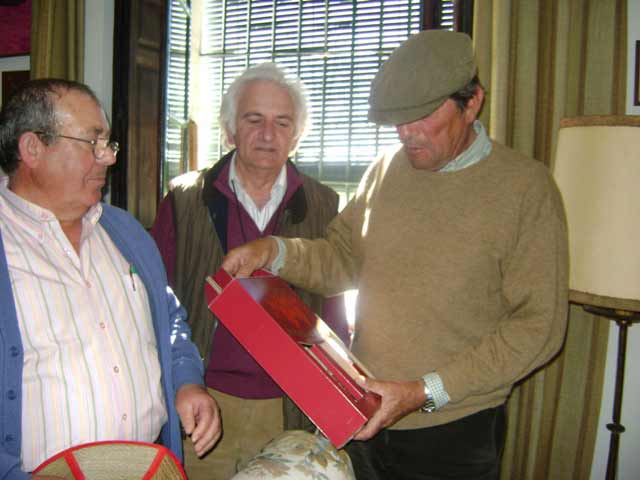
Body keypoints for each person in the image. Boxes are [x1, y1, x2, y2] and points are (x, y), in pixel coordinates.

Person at [221, 30, 569, 480]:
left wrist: (426, 391)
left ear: (473, 102)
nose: (407, 133)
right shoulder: (386, 168)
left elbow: (538, 326)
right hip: (363, 414)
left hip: (453, 432)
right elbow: (342, 259)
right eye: (398, 120)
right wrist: (275, 251)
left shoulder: (526, 188)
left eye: (422, 116)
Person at [0, 78, 221, 479]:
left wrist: (187, 381)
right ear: (32, 148)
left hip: (148, 467)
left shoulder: (124, 231)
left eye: (108, 144)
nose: (108, 157)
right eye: (92, 142)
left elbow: (168, 318)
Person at [150, 62, 349, 479]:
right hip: (204, 402)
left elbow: (334, 313)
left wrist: (337, 403)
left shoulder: (325, 205)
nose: (268, 134)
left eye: (282, 122)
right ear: (230, 130)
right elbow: (154, 305)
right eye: (253, 119)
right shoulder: (185, 201)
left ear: (296, 135)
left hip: (288, 409)